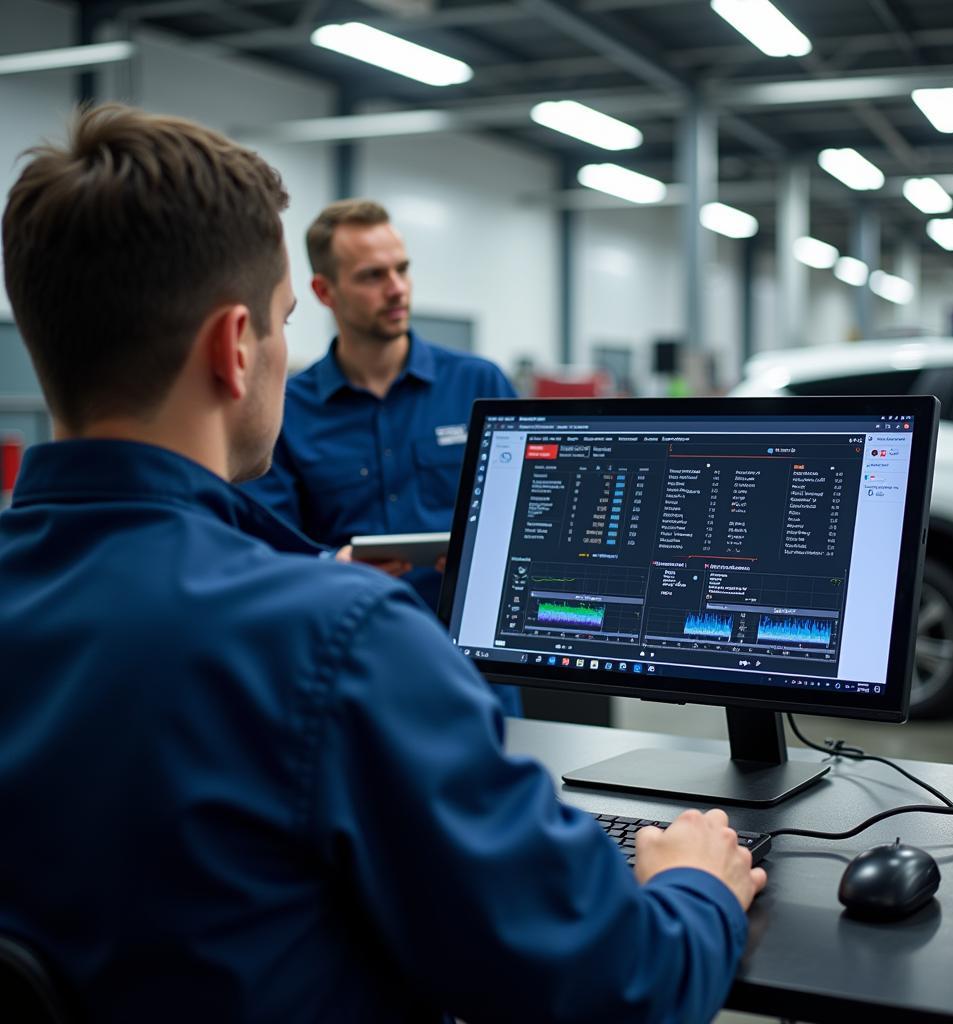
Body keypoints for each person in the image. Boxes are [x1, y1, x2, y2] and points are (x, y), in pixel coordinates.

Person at [0, 103, 765, 1024]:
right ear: (234, 349)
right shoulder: (335, 642)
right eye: (283, 320)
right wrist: (697, 887)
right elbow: (619, 984)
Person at [241, 198, 520, 714]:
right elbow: (268, 559)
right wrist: (335, 568)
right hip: (351, 679)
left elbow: (531, 522)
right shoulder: (286, 414)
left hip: (476, 678)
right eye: (372, 276)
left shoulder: (480, 383)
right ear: (324, 291)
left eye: (402, 269)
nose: (396, 288)